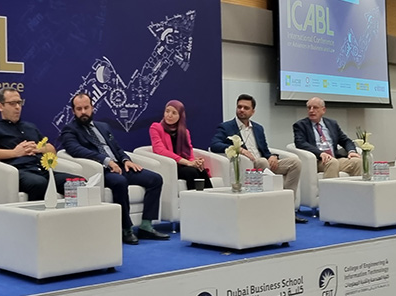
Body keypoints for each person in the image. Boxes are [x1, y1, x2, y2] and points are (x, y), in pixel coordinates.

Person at [60, 93, 169, 245]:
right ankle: (126, 229)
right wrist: (106, 161)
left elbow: (116, 147)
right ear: (73, 111)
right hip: (101, 171)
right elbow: (76, 150)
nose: (83, 112)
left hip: (120, 165)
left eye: (86, 107)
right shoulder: (69, 130)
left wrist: (126, 160)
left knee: (155, 179)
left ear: (92, 108)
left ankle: (146, 226)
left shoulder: (103, 126)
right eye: (79, 109)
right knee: (119, 182)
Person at [210, 94, 308, 224]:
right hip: (249, 165)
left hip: (264, 162)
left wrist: (272, 156)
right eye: (239, 107)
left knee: (295, 163)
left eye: (246, 107)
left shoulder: (258, 128)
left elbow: (265, 150)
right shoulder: (226, 127)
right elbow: (214, 145)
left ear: (253, 111)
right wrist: (239, 149)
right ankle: (270, 209)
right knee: (261, 161)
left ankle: (287, 208)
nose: (242, 110)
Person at [0, 88, 78, 201]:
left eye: (19, 103)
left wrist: (39, 148)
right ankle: (39, 217)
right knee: (39, 184)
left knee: (78, 183)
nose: (17, 107)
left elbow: (52, 150)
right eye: (12, 103)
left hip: (42, 170)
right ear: (1, 106)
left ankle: (71, 216)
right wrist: (14, 153)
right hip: (19, 172)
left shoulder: (30, 127)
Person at [292, 97, 363, 179]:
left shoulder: (332, 123)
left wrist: (351, 151)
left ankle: (357, 191)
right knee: (332, 162)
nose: (311, 110)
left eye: (315, 107)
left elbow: (345, 140)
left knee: (357, 162)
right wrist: (320, 153)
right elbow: (300, 143)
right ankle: (332, 191)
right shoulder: (301, 125)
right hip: (319, 161)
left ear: (323, 110)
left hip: (334, 158)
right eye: (309, 108)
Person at [149, 100, 211, 190]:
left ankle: (211, 199)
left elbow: (189, 152)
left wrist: (195, 162)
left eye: (174, 113)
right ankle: (193, 200)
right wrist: (187, 163)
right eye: (167, 111)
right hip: (170, 166)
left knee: (202, 171)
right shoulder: (155, 127)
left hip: (184, 165)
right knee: (191, 172)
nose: (169, 115)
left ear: (180, 116)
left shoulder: (185, 132)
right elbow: (159, 150)